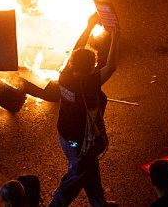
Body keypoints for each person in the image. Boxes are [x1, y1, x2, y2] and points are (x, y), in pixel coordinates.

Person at [45, 13, 119, 207]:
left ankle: (99, 203)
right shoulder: (87, 84)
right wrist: (115, 36)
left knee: (89, 168)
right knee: (76, 176)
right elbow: (111, 66)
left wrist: (89, 26)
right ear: (91, 67)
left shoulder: (65, 75)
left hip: (66, 134)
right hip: (79, 139)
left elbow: (77, 48)